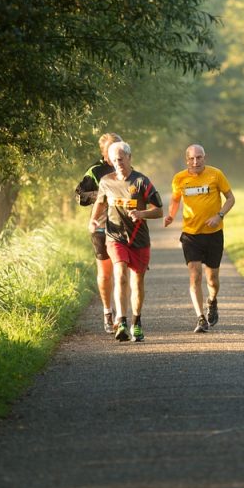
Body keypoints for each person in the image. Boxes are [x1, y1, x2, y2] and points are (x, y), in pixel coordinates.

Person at [88, 141, 163, 342]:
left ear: (129, 158)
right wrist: (93, 220)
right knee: (119, 273)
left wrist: (141, 213)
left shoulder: (142, 182)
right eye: (114, 160)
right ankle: (121, 321)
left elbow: (159, 210)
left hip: (139, 239)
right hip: (115, 236)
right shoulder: (105, 181)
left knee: (137, 281)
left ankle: (136, 322)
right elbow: (100, 202)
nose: (118, 163)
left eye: (121, 159)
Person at [164, 144, 235, 333]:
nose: (196, 161)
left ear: (205, 157)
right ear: (186, 159)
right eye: (192, 158)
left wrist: (219, 216)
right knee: (195, 276)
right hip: (190, 235)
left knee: (212, 280)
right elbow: (176, 200)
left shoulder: (215, 175)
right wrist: (170, 216)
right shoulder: (179, 178)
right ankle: (200, 318)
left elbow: (231, 199)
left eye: (199, 157)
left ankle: (212, 301)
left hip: (213, 235)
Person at [75, 132, 123, 333]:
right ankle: (107, 312)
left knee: (121, 272)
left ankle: (122, 316)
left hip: (122, 226)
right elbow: (80, 196)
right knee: (105, 273)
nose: (116, 152)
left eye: (119, 148)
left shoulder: (126, 168)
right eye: (112, 149)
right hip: (101, 227)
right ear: (103, 152)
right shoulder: (95, 171)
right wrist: (102, 196)